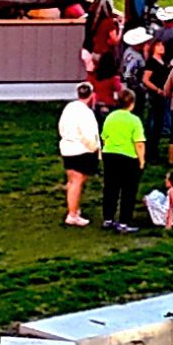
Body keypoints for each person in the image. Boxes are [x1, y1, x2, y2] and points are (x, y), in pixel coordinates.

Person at [98, 97, 147, 233]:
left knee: (110, 188)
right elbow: (139, 143)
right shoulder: (134, 120)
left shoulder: (110, 117)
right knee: (128, 191)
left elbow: (104, 137)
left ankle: (108, 218)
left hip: (110, 155)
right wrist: (142, 161)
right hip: (128, 157)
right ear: (132, 103)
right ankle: (124, 222)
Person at [58, 83, 100, 227]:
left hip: (67, 148)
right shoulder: (86, 113)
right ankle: (73, 214)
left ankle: (73, 208)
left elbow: (61, 127)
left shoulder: (69, 108)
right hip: (81, 150)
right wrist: (94, 148)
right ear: (92, 95)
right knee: (78, 181)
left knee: (72, 181)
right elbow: (88, 135)